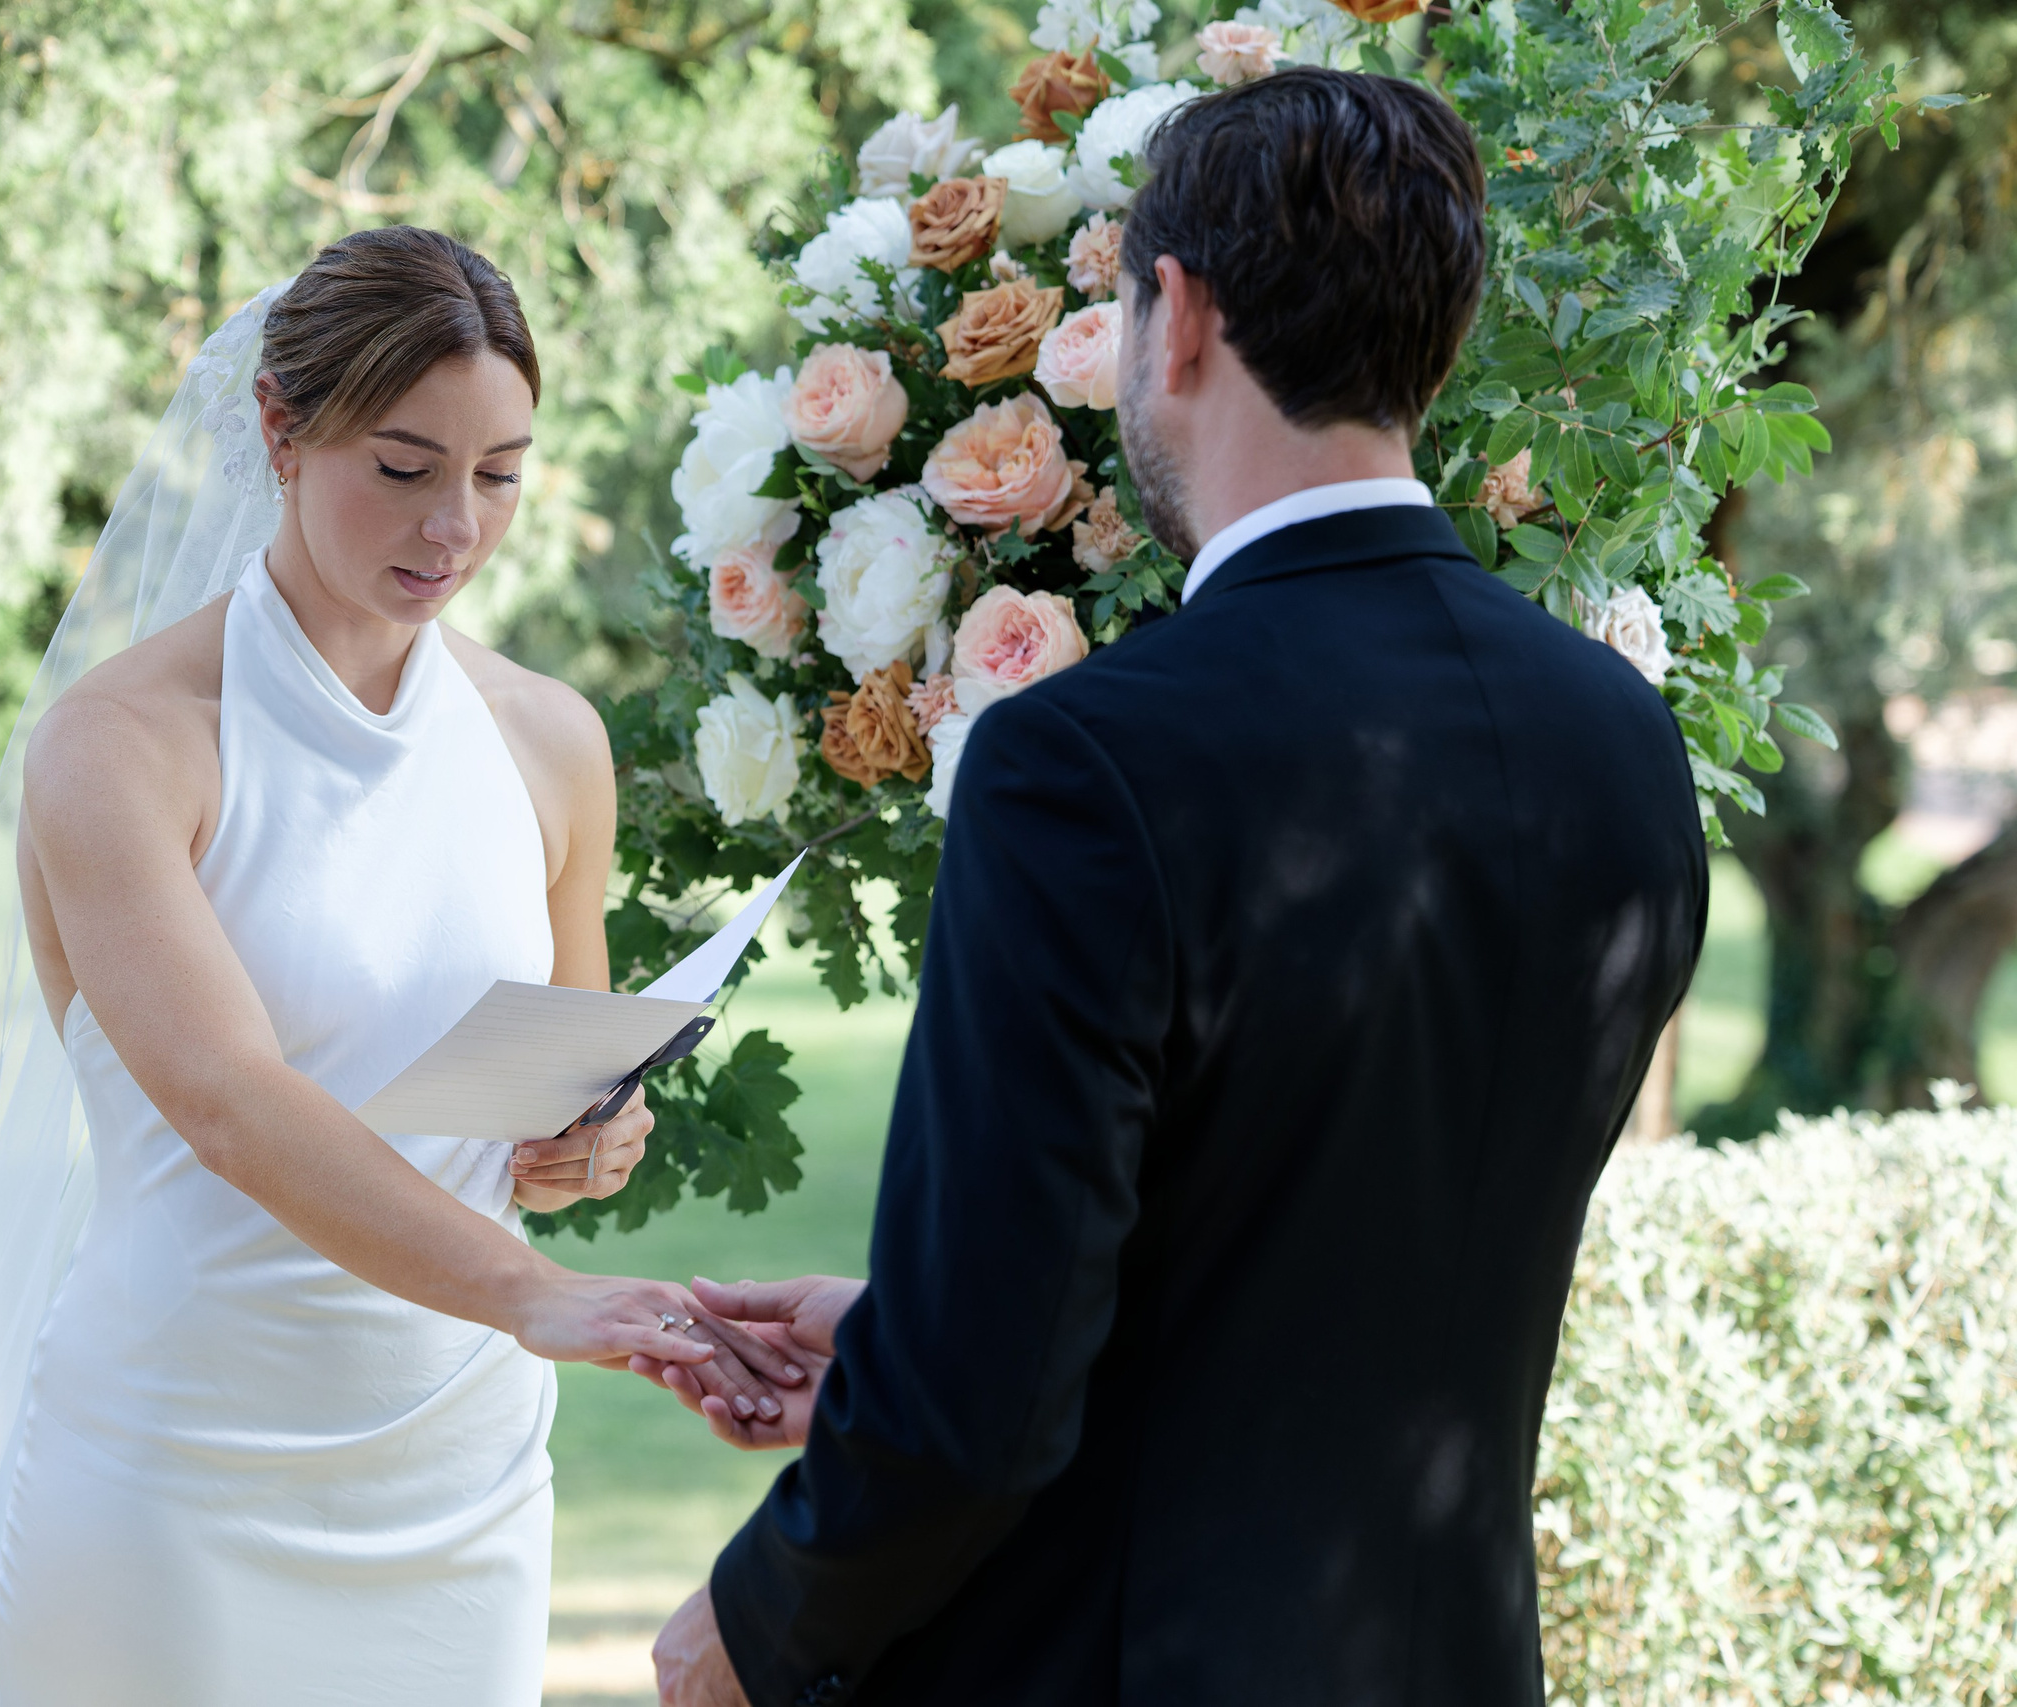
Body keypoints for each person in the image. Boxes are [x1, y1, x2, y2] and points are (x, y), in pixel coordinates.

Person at [643, 67, 1709, 1707]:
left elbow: (978, 1414)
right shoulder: (1618, 739)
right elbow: (1346, 1243)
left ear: (1182, 315)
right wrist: (905, 1319)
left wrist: (758, 1621)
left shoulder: (1084, 766)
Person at [0, 228, 796, 1707]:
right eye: (403, 467)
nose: (454, 524)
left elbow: (563, 1109)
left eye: (499, 474)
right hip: (176, 1477)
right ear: (278, 427)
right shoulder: (122, 746)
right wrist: (531, 1292)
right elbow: (229, 1101)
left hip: (462, 1476)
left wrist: (592, 1138)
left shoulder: (549, 743)